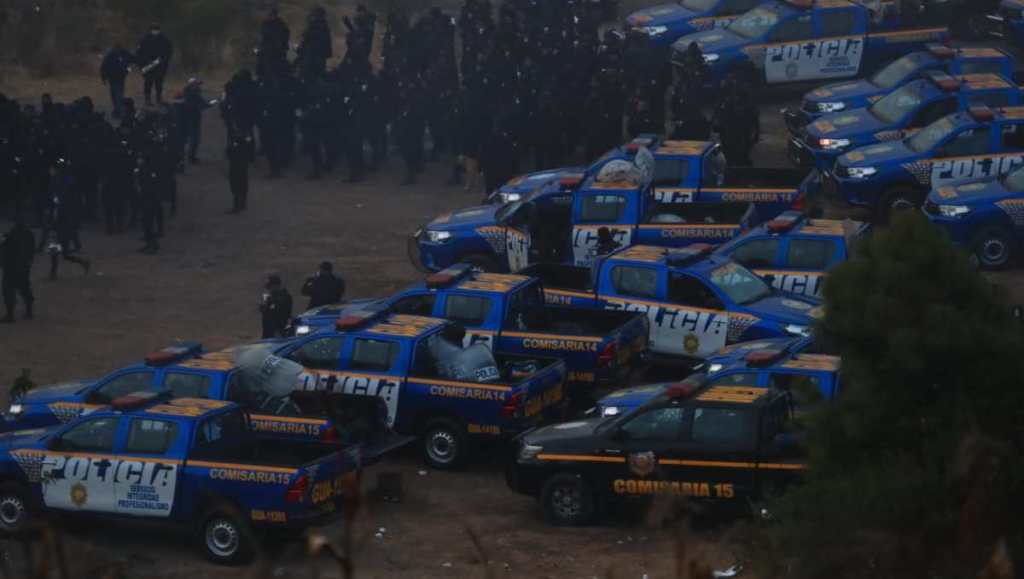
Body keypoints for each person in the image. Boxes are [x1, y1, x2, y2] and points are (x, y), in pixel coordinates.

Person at [1, 215, 35, 322]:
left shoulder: (11, 235)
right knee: (24, 287)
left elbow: (5, 251)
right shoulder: (28, 234)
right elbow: (31, 251)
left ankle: (10, 314)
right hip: (23, 266)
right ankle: (29, 310)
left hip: (11, 266)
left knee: (8, 289)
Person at [136, 24, 174, 105]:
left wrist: (164, 61)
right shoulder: (144, 40)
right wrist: (143, 63)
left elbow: (169, 51)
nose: (155, 31)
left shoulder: (164, 40)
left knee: (159, 82)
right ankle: (148, 99)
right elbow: (139, 53)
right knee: (148, 82)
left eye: (156, 29)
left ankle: (159, 99)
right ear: (150, 30)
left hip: (160, 64)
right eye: (153, 29)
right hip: (147, 64)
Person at [178, 78, 211, 164]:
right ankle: (190, 157)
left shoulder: (187, 93)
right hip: (193, 119)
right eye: (197, 85)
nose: (198, 87)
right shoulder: (193, 94)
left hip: (186, 119)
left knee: (186, 139)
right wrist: (208, 104)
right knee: (194, 139)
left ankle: (184, 157)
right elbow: (200, 105)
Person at [100, 44, 133, 118]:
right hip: (119, 76)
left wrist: (104, 78)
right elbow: (131, 60)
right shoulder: (123, 54)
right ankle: (119, 110)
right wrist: (127, 69)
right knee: (118, 93)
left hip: (112, 77)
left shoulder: (110, 55)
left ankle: (118, 110)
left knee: (115, 93)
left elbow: (103, 67)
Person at [259, 7, 291, 79]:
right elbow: (263, 36)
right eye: (270, 14)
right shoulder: (266, 24)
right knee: (265, 65)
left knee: (277, 67)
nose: (272, 16)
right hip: (268, 50)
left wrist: (282, 45)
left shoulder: (281, 24)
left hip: (277, 50)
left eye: (273, 14)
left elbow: (285, 35)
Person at [226, 128, 253, 213]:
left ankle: (238, 204)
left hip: (237, 161)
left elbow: (229, 151)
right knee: (241, 181)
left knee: (236, 182)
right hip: (242, 160)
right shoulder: (247, 137)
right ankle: (241, 202)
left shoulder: (237, 138)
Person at [260, 274, 293, 339]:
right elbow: (266, 310)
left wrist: (268, 305)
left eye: (270, 287)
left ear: (276, 285)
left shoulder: (284, 296)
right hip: (268, 330)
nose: (269, 290)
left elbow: (278, 312)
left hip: (278, 330)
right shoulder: (271, 296)